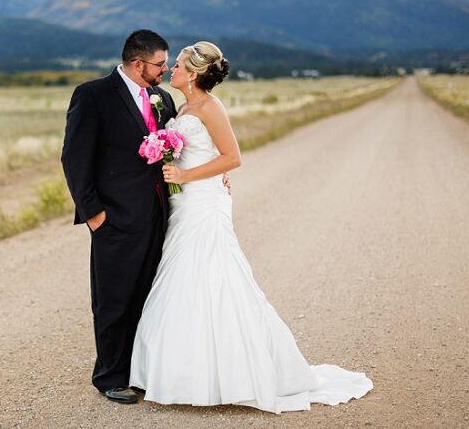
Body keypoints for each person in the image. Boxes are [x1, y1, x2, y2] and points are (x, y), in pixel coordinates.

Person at [128, 41, 374, 412]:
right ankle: (184, 371)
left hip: (205, 204)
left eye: (177, 65)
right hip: (186, 202)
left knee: (213, 276)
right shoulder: (183, 106)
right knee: (183, 277)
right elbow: (205, 154)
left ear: (193, 74)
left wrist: (185, 174)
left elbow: (233, 157)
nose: (171, 70)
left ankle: (230, 374)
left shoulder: (210, 107)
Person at [61, 29, 177, 404]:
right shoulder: (93, 95)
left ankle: (140, 371)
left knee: (148, 297)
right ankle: (110, 377)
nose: (165, 69)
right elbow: (75, 159)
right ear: (138, 62)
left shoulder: (163, 98)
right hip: (115, 219)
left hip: (160, 216)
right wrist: (94, 215)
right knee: (114, 300)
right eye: (160, 63)